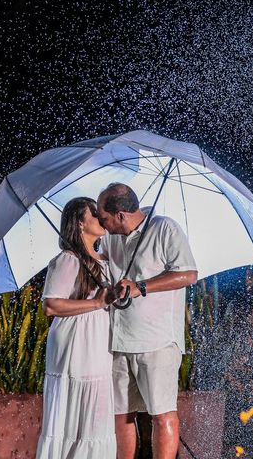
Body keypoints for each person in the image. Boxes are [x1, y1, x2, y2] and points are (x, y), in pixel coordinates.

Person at [96, 183, 198, 459]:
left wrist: (141, 286)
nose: (100, 223)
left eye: (103, 217)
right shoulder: (110, 238)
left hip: (157, 341)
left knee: (161, 413)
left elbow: (188, 274)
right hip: (117, 340)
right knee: (121, 416)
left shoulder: (164, 228)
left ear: (120, 214)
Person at [36, 197, 117, 459]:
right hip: (76, 342)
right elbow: (51, 305)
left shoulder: (104, 260)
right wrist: (95, 302)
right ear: (80, 222)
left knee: (95, 412)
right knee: (77, 405)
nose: (101, 217)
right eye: (94, 214)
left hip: (98, 342)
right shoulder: (68, 260)